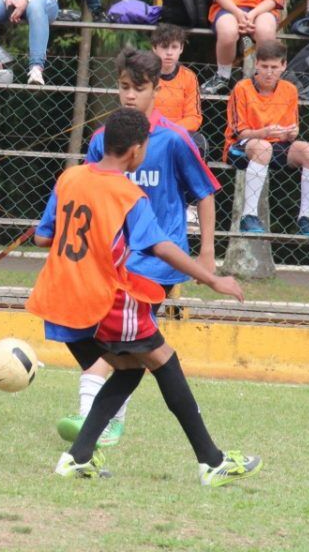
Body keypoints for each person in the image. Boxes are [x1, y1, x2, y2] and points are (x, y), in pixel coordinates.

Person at [27, 107, 260, 485]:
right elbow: (161, 247)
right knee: (164, 361)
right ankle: (212, 462)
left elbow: (42, 237)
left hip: (56, 299)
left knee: (130, 369)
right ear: (136, 151)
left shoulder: (70, 177)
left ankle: (78, 457)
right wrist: (213, 279)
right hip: (101, 299)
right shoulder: (127, 194)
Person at [56, 50, 220, 448]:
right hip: (114, 264)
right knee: (132, 353)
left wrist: (207, 254)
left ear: (156, 90)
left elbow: (204, 192)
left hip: (158, 262)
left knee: (129, 349)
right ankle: (101, 429)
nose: (129, 96)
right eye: (124, 87)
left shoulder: (175, 139)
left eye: (139, 89)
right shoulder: (102, 142)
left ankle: (91, 416)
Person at [224, 40, 309, 236]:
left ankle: (304, 218)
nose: (269, 72)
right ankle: (248, 216)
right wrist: (264, 132)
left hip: (276, 144)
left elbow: (291, 130)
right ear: (256, 65)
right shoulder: (242, 88)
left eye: (274, 67)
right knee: (262, 147)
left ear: (283, 66)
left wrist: (291, 133)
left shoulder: (290, 90)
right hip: (242, 146)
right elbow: (239, 132)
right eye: (265, 67)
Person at [150, 23, 202, 144]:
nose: (169, 52)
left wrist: (171, 130)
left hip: (178, 133)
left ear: (181, 48)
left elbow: (194, 117)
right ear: (154, 47)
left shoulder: (189, 77)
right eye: (164, 47)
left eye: (174, 47)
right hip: (149, 132)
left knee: (199, 142)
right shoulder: (144, 74)